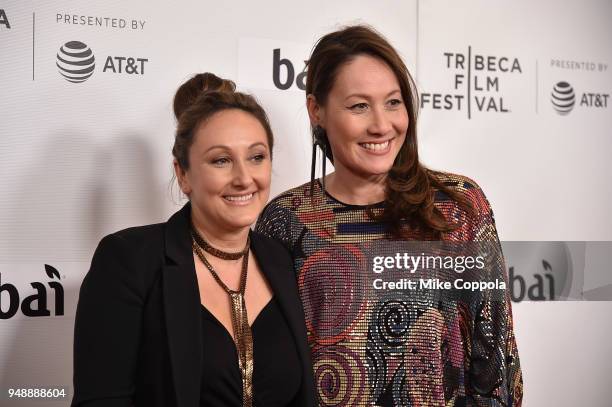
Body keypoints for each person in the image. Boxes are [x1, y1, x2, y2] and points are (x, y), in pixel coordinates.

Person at [256, 25, 523, 406]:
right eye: (359, 105)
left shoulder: (457, 206)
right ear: (317, 110)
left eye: (393, 102)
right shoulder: (285, 221)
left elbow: (496, 362)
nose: (382, 125)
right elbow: (271, 369)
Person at [72, 73, 315, 407]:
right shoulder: (128, 262)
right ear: (183, 174)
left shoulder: (283, 260)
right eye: (221, 160)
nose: (244, 178)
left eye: (257, 157)